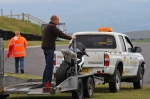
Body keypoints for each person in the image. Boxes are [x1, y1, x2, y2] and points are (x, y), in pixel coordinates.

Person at [36, 15, 76, 88]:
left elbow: (54, 35)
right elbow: (60, 34)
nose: (58, 22)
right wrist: (70, 37)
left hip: (45, 48)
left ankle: (44, 81)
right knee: (50, 66)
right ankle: (47, 83)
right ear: (54, 20)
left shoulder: (47, 27)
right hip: (49, 48)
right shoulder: (52, 27)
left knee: (47, 65)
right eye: (57, 20)